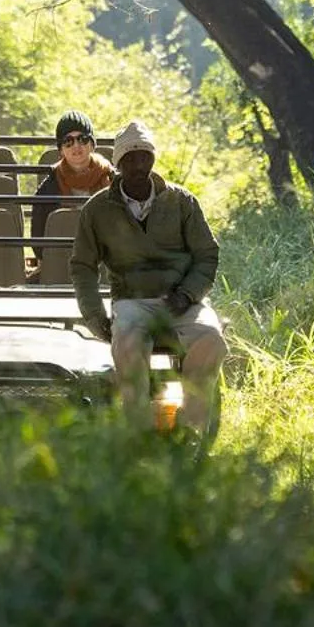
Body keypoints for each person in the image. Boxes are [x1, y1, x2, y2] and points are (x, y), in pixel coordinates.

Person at [68, 119, 225, 432]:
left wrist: (187, 294)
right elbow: (83, 265)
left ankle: (190, 428)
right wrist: (94, 314)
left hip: (181, 300)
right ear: (118, 164)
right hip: (132, 300)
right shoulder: (98, 210)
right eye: (130, 158)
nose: (139, 164)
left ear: (153, 159)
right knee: (126, 345)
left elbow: (206, 254)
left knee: (212, 340)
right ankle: (139, 433)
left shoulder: (182, 202)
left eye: (145, 156)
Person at [30, 109, 115, 238]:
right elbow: (38, 233)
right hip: (64, 254)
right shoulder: (49, 186)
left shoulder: (112, 178)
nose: (76, 146)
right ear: (61, 150)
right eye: (68, 141)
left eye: (82, 139)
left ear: (92, 145)